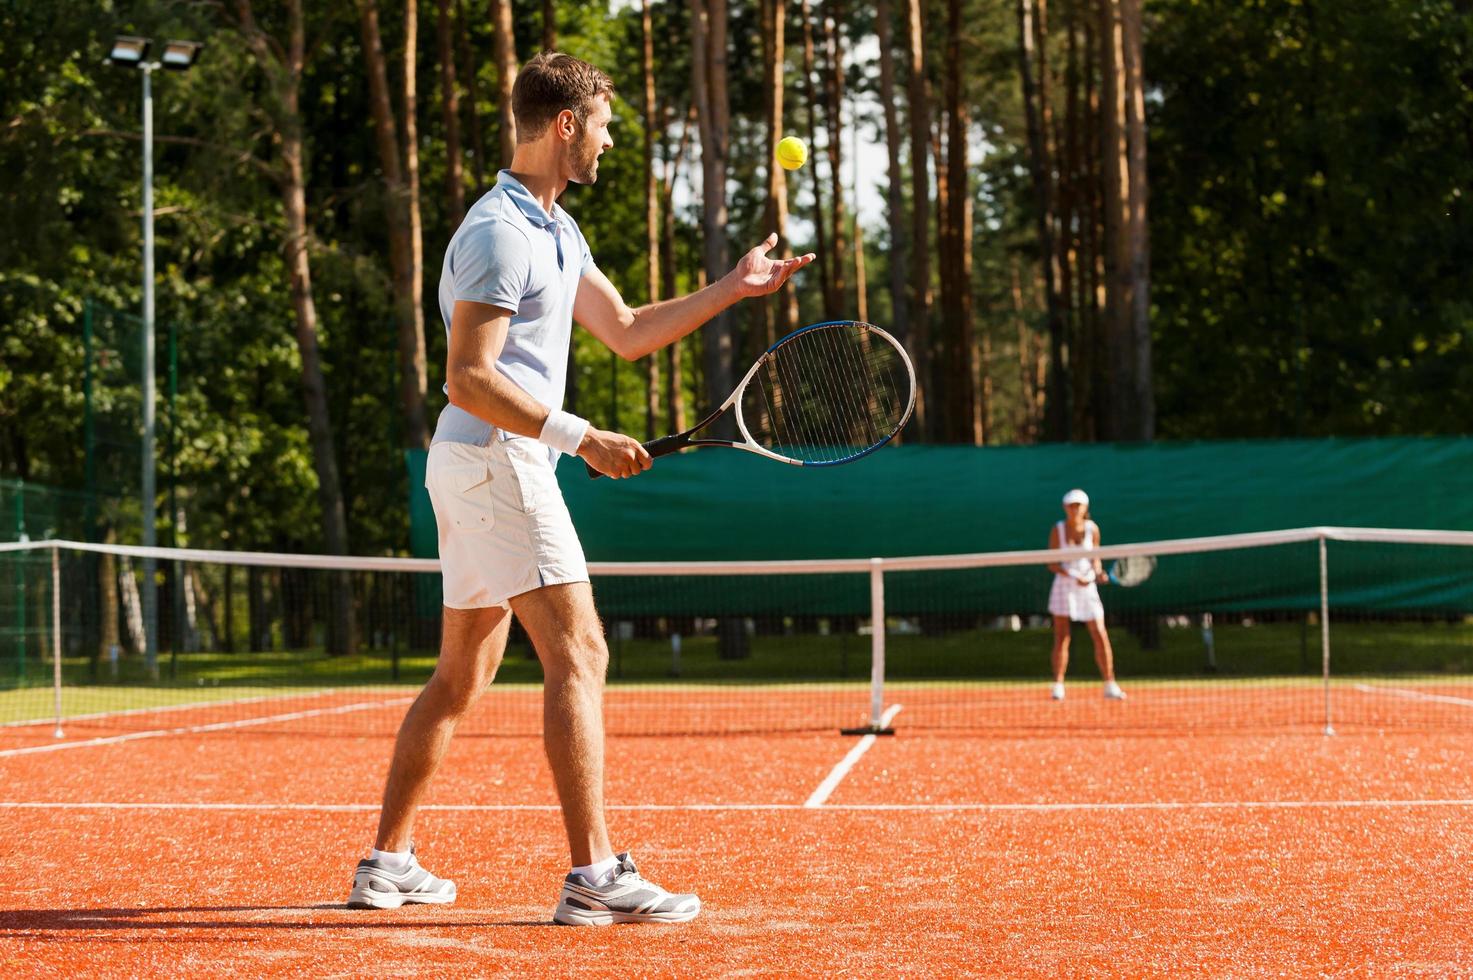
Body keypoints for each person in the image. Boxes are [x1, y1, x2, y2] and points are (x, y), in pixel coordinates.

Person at [346, 52, 814, 924]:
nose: (606, 140)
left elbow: (629, 331)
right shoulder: (498, 232)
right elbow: (467, 376)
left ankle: (387, 862)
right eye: (601, 124)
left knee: (462, 673)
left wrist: (734, 288)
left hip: (483, 462)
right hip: (496, 456)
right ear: (566, 125)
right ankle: (593, 875)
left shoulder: (557, 231)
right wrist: (580, 437)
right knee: (580, 653)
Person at [1045, 488, 1125, 702]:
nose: (1074, 509)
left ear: (1085, 507)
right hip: (1064, 585)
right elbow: (1052, 563)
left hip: (1087, 587)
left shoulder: (1093, 530)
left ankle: (1110, 684)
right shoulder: (1058, 530)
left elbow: (1095, 559)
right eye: (1070, 505)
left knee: (1100, 633)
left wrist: (1097, 573)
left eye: (1078, 505)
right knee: (1062, 636)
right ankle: (1058, 685)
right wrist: (1073, 575)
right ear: (1065, 508)